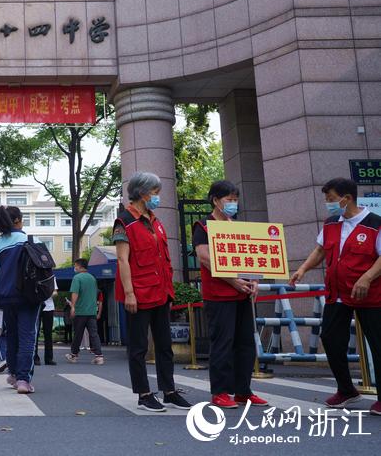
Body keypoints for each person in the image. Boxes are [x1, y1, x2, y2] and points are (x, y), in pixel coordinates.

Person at [290, 177, 381, 415]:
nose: (328, 203)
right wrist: (302, 269)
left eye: (331, 199)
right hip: (337, 293)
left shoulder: (374, 224)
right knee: (330, 338)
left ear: (346, 198)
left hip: (369, 294)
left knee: (378, 344)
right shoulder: (331, 223)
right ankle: (346, 389)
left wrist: (367, 277)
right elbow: (320, 250)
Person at [113, 171, 191, 412]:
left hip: (160, 292)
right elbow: (123, 261)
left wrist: (169, 290)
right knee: (138, 347)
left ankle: (169, 391)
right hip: (138, 293)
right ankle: (144, 394)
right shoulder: (124, 222)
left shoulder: (155, 221)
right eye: (155, 193)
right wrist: (129, 293)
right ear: (142, 193)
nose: (158, 197)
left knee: (164, 345)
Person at [193, 180, 268, 409]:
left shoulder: (237, 226)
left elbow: (250, 257)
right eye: (229, 199)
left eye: (235, 199)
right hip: (219, 295)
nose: (233, 203)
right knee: (222, 343)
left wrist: (253, 280)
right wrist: (233, 281)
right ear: (215, 200)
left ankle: (243, 391)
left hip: (242, 294)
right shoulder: (203, 226)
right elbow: (204, 257)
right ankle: (220, 392)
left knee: (245, 343)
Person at [0, 205, 42, 394]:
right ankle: (24, 380)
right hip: (29, 298)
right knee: (27, 337)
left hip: (5, 299)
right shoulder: (31, 240)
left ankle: (14, 374)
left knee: (11, 337)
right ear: (17, 221)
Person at [65, 258, 104, 365]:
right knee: (94, 334)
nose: (74, 268)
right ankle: (99, 356)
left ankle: (73, 355)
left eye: (75, 266)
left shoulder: (77, 278)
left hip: (80, 311)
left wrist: (73, 307)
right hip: (92, 312)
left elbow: (75, 293)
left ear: (79, 266)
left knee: (78, 333)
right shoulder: (92, 278)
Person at [34, 280, 58, 366]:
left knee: (48, 334)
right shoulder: (35, 275)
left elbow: (55, 292)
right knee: (35, 333)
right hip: (36, 307)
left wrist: (47, 294)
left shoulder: (51, 277)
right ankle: (35, 357)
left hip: (49, 307)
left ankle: (49, 358)